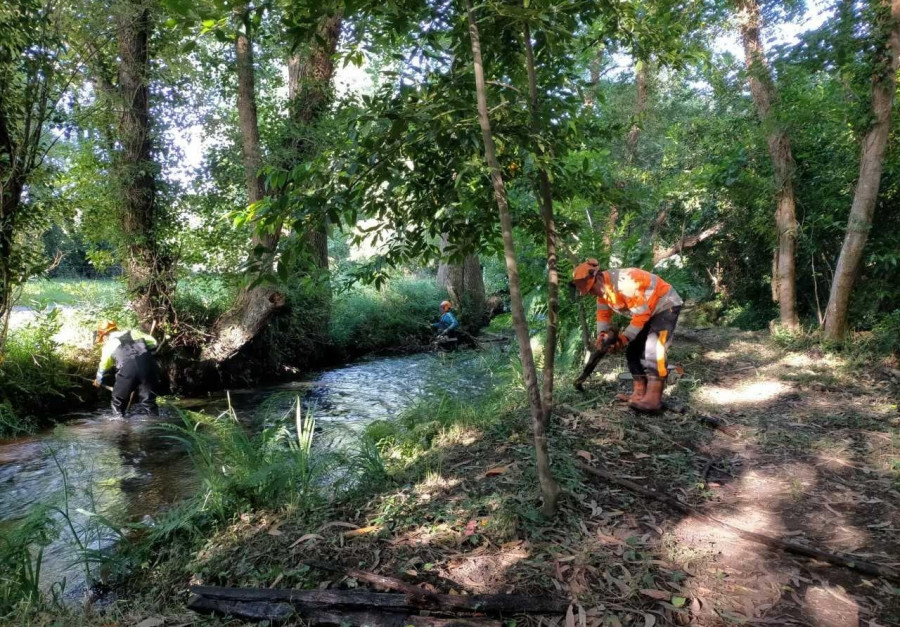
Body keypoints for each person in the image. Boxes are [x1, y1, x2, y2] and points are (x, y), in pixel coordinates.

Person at [572, 259, 683, 413]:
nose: (591, 293)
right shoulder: (603, 292)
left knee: (653, 350)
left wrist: (623, 338)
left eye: (591, 289)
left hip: (665, 305)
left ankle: (653, 399)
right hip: (647, 312)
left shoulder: (625, 284)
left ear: (597, 278)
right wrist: (602, 335)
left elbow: (641, 315)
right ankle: (639, 394)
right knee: (633, 351)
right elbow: (603, 314)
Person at [94, 320, 160, 417]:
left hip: (127, 371)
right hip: (148, 367)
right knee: (149, 402)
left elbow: (104, 365)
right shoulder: (134, 332)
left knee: (118, 402)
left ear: (104, 335)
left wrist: (98, 380)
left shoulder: (109, 345)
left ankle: (119, 425)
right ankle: (156, 425)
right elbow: (154, 343)